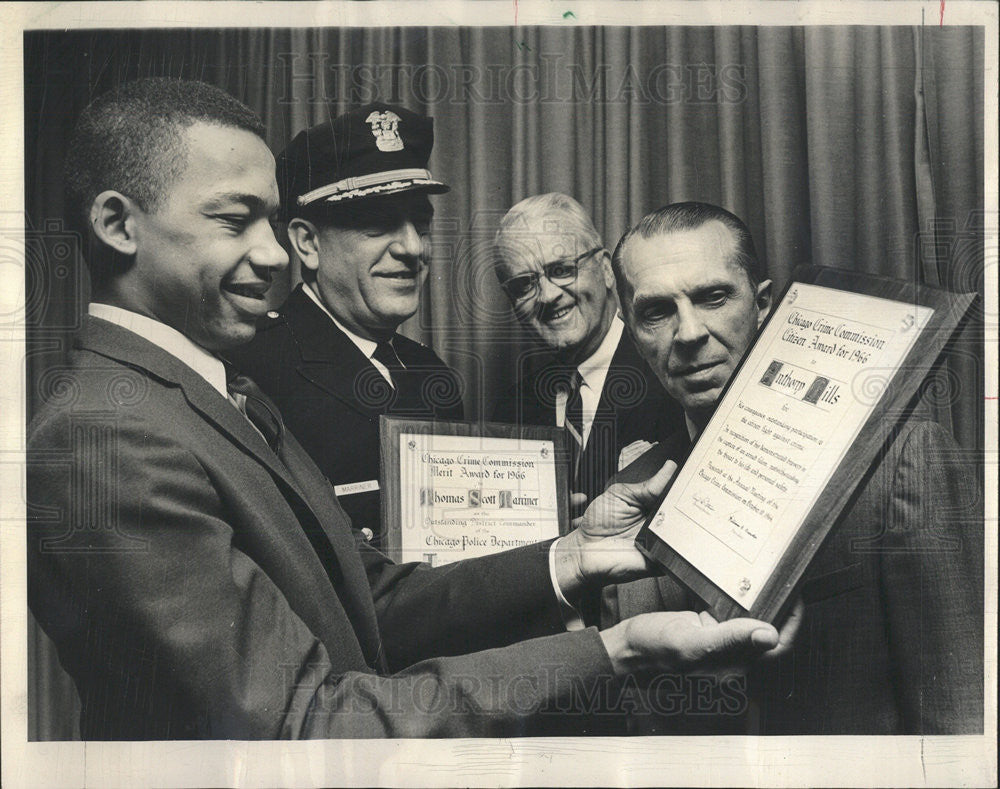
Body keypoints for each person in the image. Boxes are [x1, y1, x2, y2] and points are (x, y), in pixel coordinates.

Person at [27, 79, 791, 740]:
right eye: (234, 220)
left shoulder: (208, 389)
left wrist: (572, 554)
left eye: (268, 220)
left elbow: (374, 601)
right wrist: (617, 649)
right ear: (117, 224)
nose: (269, 255)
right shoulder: (109, 435)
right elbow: (306, 726)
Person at [610, 201, 984, 734]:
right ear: (633, 330)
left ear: (763, 305)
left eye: (713, 297)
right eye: (657, 312)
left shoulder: (906, 458)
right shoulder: (629, 488)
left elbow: (960, 713)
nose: (689, 332)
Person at [227, 104, 463, 546]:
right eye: (378, 225)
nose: (413, 247)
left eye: (422, 223)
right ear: (307, 243)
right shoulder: (251, 370)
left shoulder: (432, 374)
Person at [492, 194, 684, 504]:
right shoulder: (511, 408)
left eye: (561, 270)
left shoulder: (674, 376)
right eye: (524, 285)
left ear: (607, 270)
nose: (547, 296)